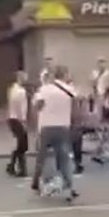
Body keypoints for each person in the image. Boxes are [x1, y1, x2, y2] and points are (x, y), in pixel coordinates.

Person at [30, 65, 79, 200]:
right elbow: (77, 104)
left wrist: (46, 110)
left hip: (46, 126)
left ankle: (44, 185)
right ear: (64, 75)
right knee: (64, 158)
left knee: (44, 158)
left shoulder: (45, 89)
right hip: (63, 127)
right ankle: (69, 186)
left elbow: (37, 106)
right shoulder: (70, 89)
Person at [5, 71, 29, 178]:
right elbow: (22, 108)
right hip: (18, 119)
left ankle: (12, 165)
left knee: (20, 144)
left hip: (11, 118)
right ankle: (21, 169)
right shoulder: (21, 91)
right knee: (22, 145)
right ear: (20, 78)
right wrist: (23, 121)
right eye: (25, 77)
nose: (26, 79)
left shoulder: (11, 89)